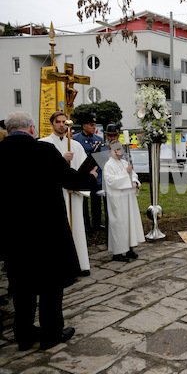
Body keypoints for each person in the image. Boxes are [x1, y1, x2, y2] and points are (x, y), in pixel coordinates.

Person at [0, 112, 97, 351]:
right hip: (47, 232)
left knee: (21, 285)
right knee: (50, 285)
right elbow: (72, 181)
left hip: (12, 234)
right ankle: (51, 334)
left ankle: (23, 335)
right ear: (32, 129)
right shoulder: (43, 150)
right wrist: (91, 177)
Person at [40, 111, 91, 276]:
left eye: (64, 122)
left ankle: (81, 264)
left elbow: (85, 168)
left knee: (76, 227)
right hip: (55, 194)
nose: (62, 125)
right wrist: (62, 159)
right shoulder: (43, 144)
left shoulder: (75, 145)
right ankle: (61, 267)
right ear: (52, 124)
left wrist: (76, 184)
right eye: (58, 122)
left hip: (73, 194)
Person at [103, 140, 145, 262]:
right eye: (114, 149)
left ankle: (129, 247)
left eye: (119, 149)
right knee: (119, 224)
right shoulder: (108, 165)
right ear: (110, 151)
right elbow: (111, 181)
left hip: (128, 197)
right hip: (117, 198)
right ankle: (118, 252)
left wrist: (135, 182)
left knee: (129, 222)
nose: (117, 152)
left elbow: (134, 174)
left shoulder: (124, 162)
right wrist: (125, 173)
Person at [73, 113, 104, 232]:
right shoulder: (75, 140)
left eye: (94, 125)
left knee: (96, 201)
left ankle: (97, 223)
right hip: (83, 175)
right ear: (84, 126)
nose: (93, 127)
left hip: (96, 175)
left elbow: (101, 159)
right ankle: (85, 224)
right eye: (91, 125)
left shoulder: (99, 140)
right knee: (84, 201)